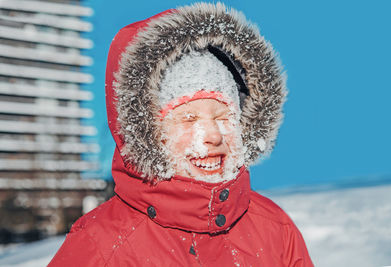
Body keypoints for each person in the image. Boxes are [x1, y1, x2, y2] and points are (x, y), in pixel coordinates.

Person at [49, 3, 313, 266]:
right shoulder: (101, 245)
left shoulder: (276, 229)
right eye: (189, 119)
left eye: (224, 117)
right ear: (148, 134)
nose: (213, 136)